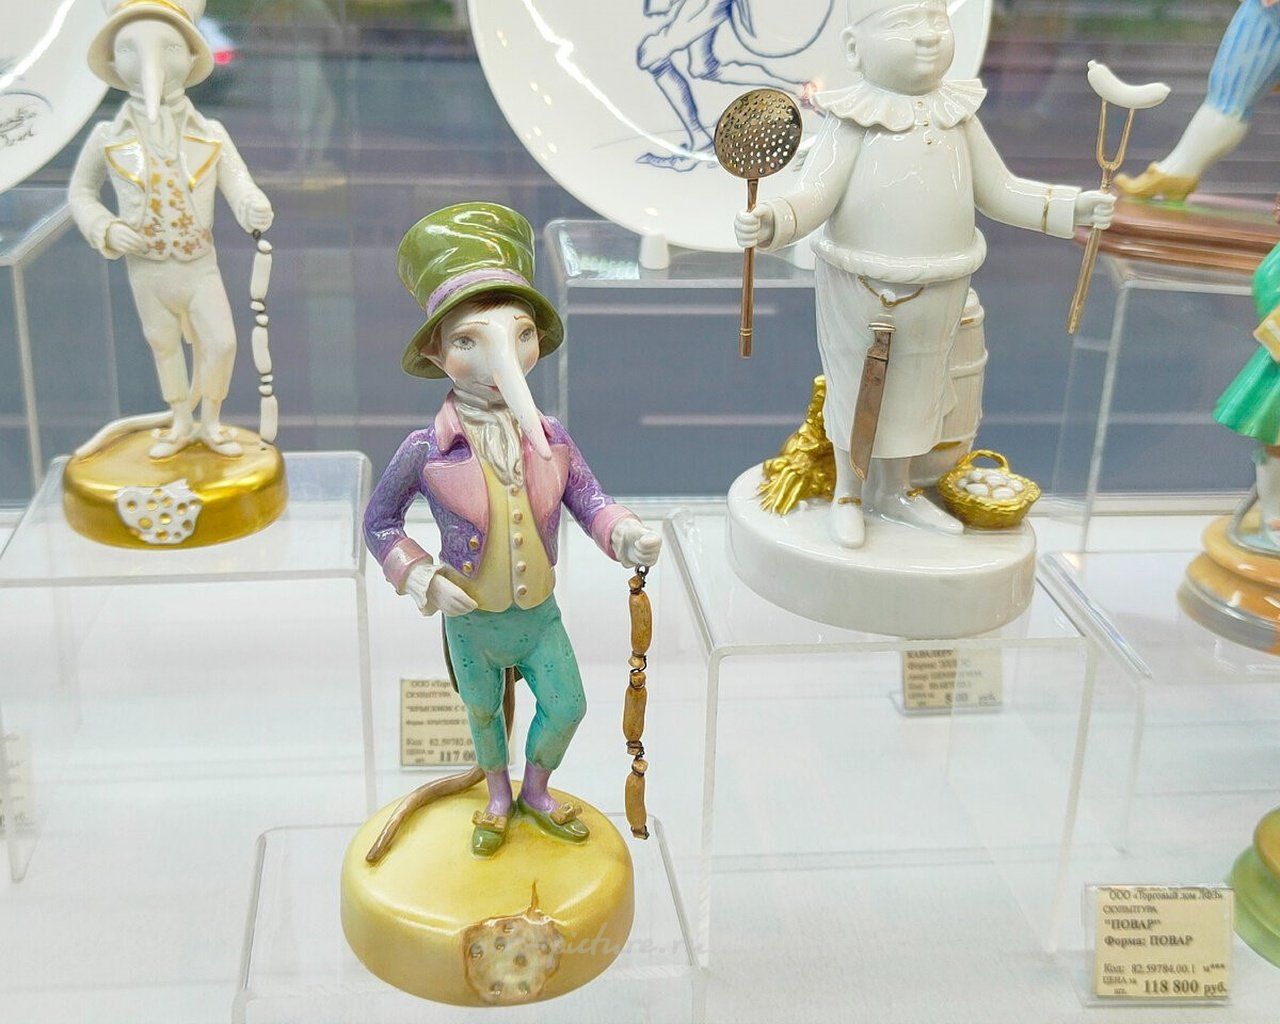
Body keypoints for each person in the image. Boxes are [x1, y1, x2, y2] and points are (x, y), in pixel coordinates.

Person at [734, 0, 1114, 548]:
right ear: (853, 48)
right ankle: (848, 493)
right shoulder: (852, 121)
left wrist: (1072, 208)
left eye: (936, 21)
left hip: (941, 283)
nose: (927, 36)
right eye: (903, 24)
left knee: (919, 392)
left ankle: (894, 490)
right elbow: (814, 195)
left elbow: (1001, 192)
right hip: (857, 282)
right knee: (854, 389)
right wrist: (773, 220)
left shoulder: (958, 118)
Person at [364, 203, 662, 857]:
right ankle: (496, 794)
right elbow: (380, 523)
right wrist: (421, 576)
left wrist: (624, 534)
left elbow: (588, 498)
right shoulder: (424, 450)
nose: (502, 356)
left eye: (520, 333)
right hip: (472, 619)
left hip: (537, 615)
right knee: (481, 712)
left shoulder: (550, 439)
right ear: (437, 352)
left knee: (567, 704)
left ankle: (536, 789)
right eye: (468, 340)